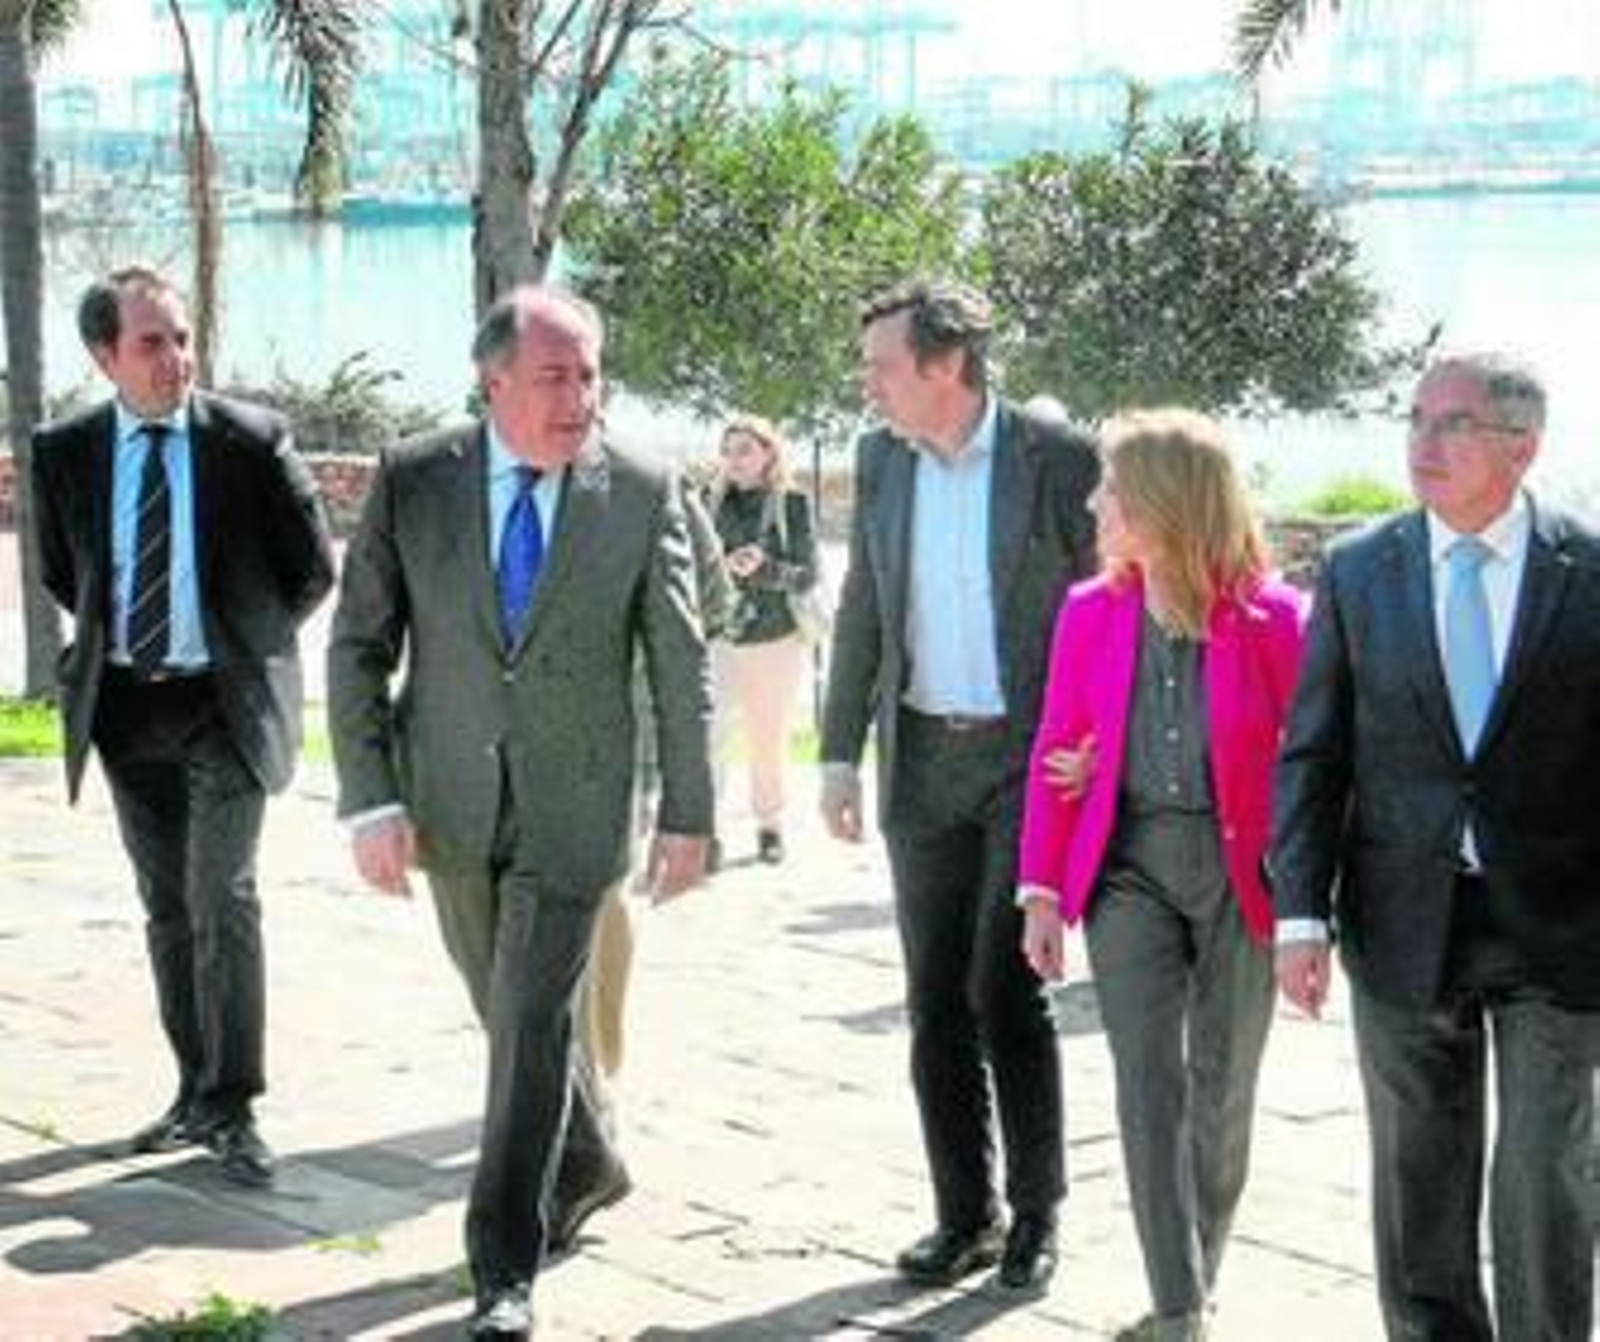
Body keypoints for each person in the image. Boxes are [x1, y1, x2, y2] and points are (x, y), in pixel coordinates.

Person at [325, 285, 713, 1340]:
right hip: (449, 802)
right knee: (507, 1016)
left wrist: (689, 811)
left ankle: (504, 1266)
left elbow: (680, 660)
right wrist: (370, 798)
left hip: (579, 813)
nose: (579, 396)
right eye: (554, 376)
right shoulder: (416, 479)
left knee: (531, 1025)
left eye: (590, 374)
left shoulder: (637, 488)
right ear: (493, 379)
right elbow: (360, 644)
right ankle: (589, 1161)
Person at [1271, 353, 1600, 1342]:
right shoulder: (1360, 568)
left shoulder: (1587, 569)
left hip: (1560, 926)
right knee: (1417, 1174)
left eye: (1451, 423)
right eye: (1414, 418)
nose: (1422, 441)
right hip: (1402, 919)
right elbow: (1313, 750)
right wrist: (1299, 912)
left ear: (1521, 443)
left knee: (1546, 1170)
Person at [819, 277, 1100, 1293]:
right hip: (921, 759)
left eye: (883, 365)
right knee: (934, 999)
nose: (869, 385)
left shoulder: (1057, 459)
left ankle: (1037, 1211)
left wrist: (1099, 740)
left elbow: (1112, 601)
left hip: (1031, 761)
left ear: (946, 365)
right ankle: (962, 1214)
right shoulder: (880, 460)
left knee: (1003, 986)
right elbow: (860, 605)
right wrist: (838, 749)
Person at [29, 265, 336, 1188]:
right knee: (166, 909)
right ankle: (191, 1091)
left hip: (223, 705)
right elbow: (59, 570)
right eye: (153, 342)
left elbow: (310, 568)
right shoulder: (64, 449)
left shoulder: (250, 440)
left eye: (183, 336)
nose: (177, 358)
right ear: (104, 355)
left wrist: (244, 643)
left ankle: (234, 1104)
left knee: (222, 898)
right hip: (126, 709)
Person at [1016, 410, 1308, 1341]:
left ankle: (1200, 1269)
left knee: (1224, 1091)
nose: (1096, 501)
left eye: (1113, 488)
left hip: (1240, 878)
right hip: (1128, 871)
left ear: (1166, 505)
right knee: (1149, 1085)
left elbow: (1314, 764)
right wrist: (1042, 890)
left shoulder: (1279, 622)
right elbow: (1056, 751)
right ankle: (1178, 1308)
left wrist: (1315, 909)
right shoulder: (1088, 611)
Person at [707, 414, 820, 864]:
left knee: (767, 738)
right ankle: (706, 831)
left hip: (776, 639)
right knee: (710, 737)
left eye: (745, 449)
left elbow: (807, 574)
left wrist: (765, 567)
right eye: (728, 450)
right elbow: (688, 566)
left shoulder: (792, 502)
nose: (734, 459)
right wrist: (722, 567)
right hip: (719, 636)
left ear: (768, 453)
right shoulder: (705, 502)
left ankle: (769, 827)